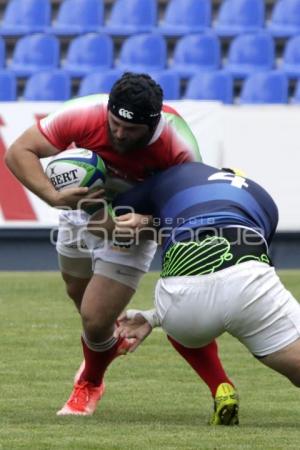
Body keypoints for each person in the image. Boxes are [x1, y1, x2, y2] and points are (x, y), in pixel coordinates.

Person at [5, 72, 237, 424]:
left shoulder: (179, 146)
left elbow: (190, 210)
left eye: (131, 131)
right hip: (81, 210)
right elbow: (19, 151)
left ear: (152, 125)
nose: (119, 134)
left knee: (94, 319)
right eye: (114, 124)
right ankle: (105, 344)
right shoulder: (83, 113)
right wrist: (53, 197)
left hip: (134, 223)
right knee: (78, 296)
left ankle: (90, 382)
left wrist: (146, 224)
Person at [90, 162, 300, 424]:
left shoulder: (178, 173)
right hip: (249, 285)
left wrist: (157, 316)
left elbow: (117, 211)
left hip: (182, 305)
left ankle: (220, 386)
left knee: (185, 322)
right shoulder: (264, 198)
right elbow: (235, 267)